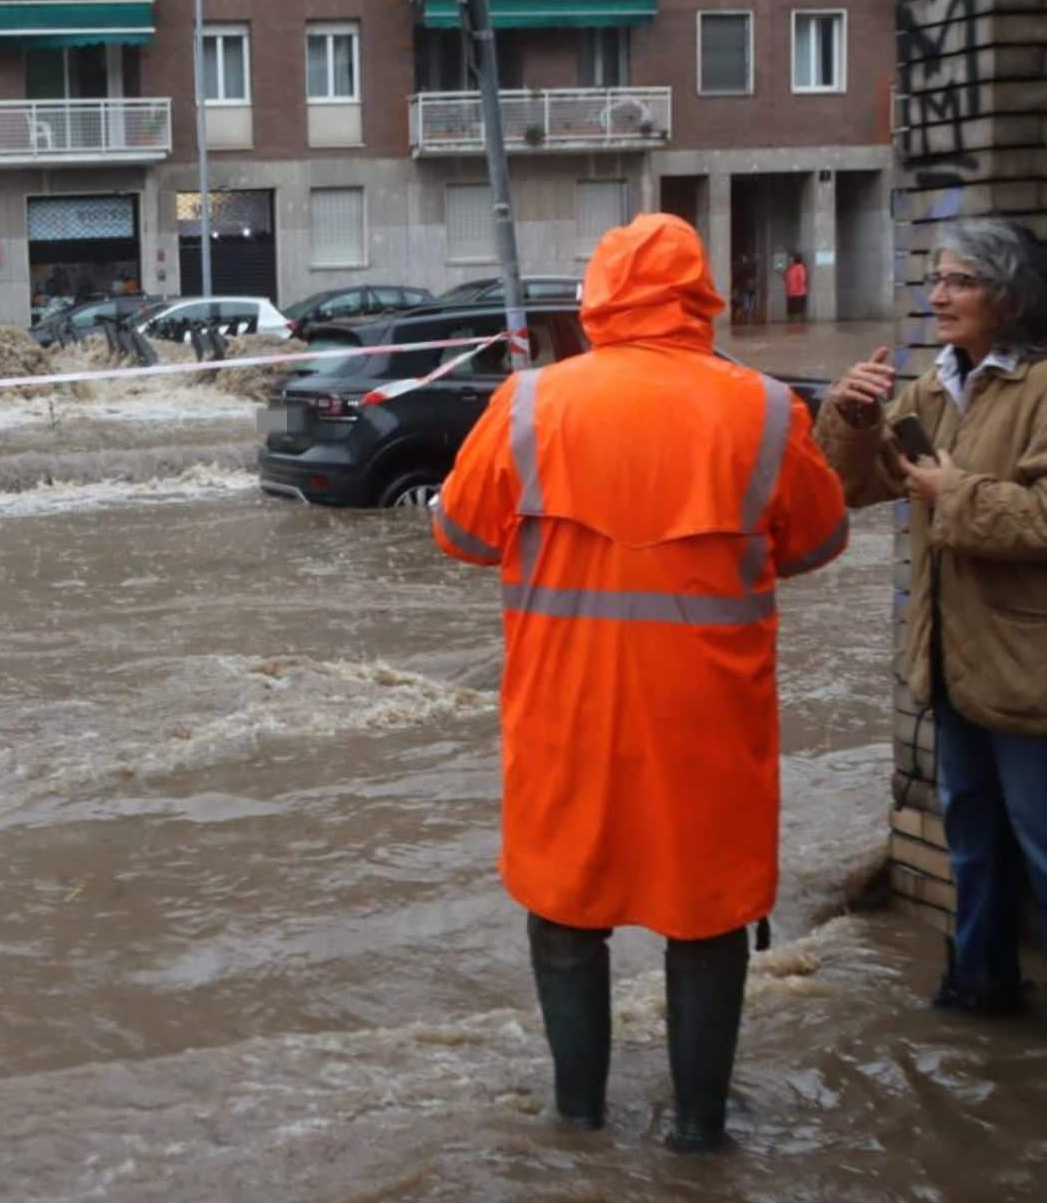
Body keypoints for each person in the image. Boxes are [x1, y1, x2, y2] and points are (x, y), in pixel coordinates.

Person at [431, 214, 849, 1151]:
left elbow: (457, 534)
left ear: (599, 301)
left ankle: (577, 1122)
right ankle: (699, 1133)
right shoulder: (768, 408)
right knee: (706, 919)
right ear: (701, 298)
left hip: (566, 715)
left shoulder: (533, 403)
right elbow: (819, 542)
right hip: (709, 720)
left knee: (565, 911)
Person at [815, 218, 1047, 1017]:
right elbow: (857, 488)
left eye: (960, 282)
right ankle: (980, 986)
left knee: (1042, 849)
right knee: (971, 842)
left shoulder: (1044, 389)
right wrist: (849, 419)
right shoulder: (931, 386)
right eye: (937, 280)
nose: (937, 295)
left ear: (1008, 299)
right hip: (949, 664)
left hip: (1028, 673)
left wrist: (957, 497)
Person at [786, 252, 810, 323]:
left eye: (792, 258)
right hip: (792, 293)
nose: (791, 260)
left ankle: (797, 323)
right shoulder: (792, 268)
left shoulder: (800, 267)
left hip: (798, 293)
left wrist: (796, 289)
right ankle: (794, 322)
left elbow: (802, 280)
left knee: (797, 310)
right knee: (793, 309)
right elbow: (788, 279)